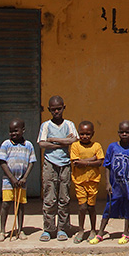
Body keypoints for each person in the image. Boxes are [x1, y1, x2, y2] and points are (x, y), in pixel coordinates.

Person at [90, 120, 129, 245]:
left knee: (128, 208)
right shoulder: (112, 147)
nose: (124, 134)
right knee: (108, 208)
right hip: (115, 186)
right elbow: (107, 166)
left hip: (127, 186)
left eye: (127, 132)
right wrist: (107, 183)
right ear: (118, 132)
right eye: (122, 132)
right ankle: (101, 233)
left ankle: (126, 232)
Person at [37, 95, 79, 241]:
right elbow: (42, 144)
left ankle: (63, 228)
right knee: (49, 197)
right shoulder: (46, 125)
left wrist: (54, 140)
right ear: (49, 110)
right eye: (53, 109)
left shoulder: (69, 124)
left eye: (59, 109)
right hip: (50, 163)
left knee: (64, 197)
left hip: (65, 163)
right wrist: (63, 143)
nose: (56, 112)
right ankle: (48, 229)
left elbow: (73, 139)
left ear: (63, 108)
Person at [0, 118, 36, 241]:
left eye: (16, 131)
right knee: (6, 204)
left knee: (20, 205)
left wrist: (24, 178)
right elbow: (2, 162)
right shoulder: (6, 144)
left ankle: (20, 230)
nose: (13, 134)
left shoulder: (28, 145)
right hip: (9, 181)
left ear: (23, 130)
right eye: (11, 131)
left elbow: (31, 162)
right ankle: (2, 231)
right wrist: (12, 178)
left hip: (22, 181)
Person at [70, 120, 104, 243]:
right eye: (82, 134)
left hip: (93, 181)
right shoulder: (75, 146)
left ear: (92, 134)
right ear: (78, 133)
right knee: (82, 207)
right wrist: (91, 160)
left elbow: (100, 162)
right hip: (79, 181)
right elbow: (76, 163)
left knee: (91, 207)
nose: (85, 136)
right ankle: (81, 230)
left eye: (88, 134)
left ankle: (93, 229)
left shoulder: (96, 146)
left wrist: (85, 162)